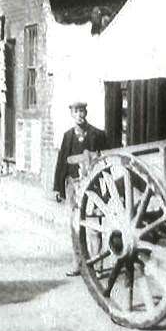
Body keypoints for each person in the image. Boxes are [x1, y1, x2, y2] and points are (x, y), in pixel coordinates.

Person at [53, 101, 109, 276]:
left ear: (86, 112)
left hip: (92, 186)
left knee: (93, 225)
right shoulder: (68, 136)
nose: (79, 114)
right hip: (72, 186)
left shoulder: (97, 135)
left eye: (82, 111)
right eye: (76, 111)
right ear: (72, 114)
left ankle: (97, 266)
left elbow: (106, 158)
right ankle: (77, 264)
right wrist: (58, 188)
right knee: (75, 225)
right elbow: (62, 161)